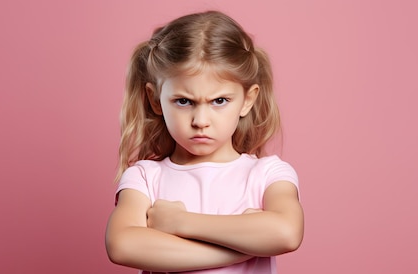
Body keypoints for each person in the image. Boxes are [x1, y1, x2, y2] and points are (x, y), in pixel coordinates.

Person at [105, 10, 303, 274]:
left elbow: (286, 233)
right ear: (155, 100)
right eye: (184, 101)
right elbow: (123, 246)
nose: (200, 120)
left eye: (219, 101)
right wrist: (245, 247)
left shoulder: (268, 174)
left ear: (247, 100)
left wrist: (181, 222)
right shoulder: (144, 178)